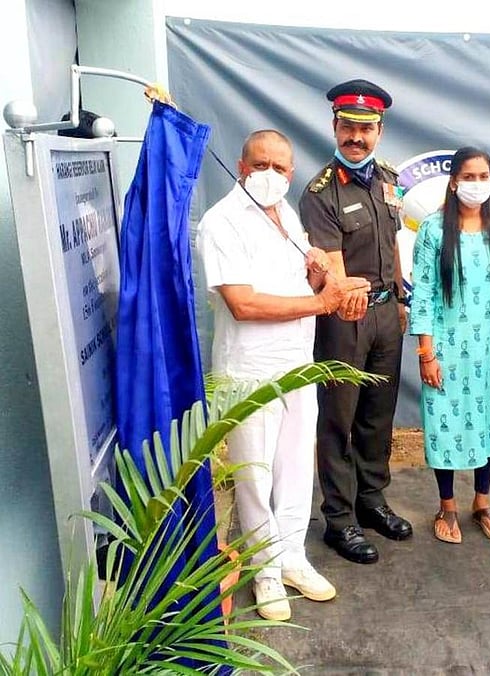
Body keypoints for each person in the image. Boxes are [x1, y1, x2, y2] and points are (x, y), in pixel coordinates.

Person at [198, 129, 370, 620]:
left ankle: (292, 556)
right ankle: (265, 571)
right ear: (242, 164)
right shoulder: (222, 221)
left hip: (297, 364)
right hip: (250, 370)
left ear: (291, 173)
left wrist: (321, 274)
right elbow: (243, 303)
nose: (270, 175)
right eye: (260, 164)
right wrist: (322, 301)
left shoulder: (289, 216)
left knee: (295, 465)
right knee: (254, 473)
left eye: (280, 167)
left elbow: (302, 284)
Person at [299, 79, 412, 564]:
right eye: (348, 127)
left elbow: (392, 245)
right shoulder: (321, 192)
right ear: (334, 128)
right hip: (347, 317)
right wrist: (347, 300)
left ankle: (372, 501)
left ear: (380, 131)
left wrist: (402, 300)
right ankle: (340, 520)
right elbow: (331, 262)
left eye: (366, 129)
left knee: (377, 416)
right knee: (339, 419)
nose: (356, 138)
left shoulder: (389, 179)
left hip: (388, 313)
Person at [409, 147, 490, 544]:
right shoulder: (432, 230)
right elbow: (424, 293)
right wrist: (426, 352)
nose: (477, 184)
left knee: (489, 420)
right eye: (469, 177)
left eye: (484, 177)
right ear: (453, 181)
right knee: (444, 423)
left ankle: (482, 501)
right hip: (446, 346)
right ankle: (446, 505)